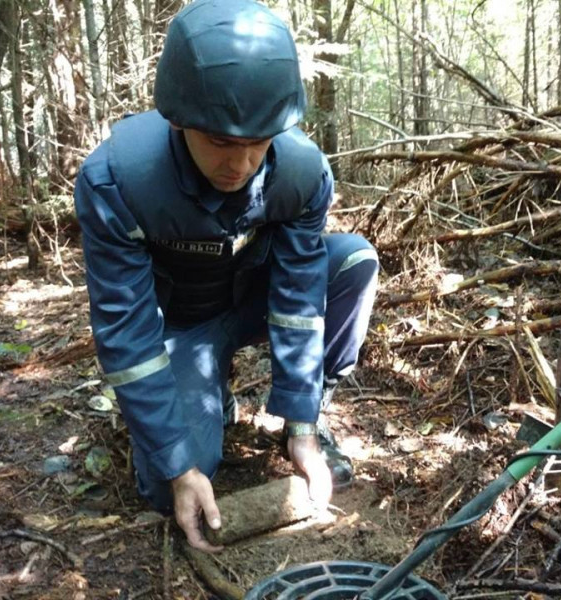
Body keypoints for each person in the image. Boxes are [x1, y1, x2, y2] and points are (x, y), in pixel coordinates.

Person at [74, 0, 378, 553]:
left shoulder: (303, 174)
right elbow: (126, 333)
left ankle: (308, 421)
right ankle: (210, 388)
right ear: (179, 119)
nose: (238, 165)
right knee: (173, 490)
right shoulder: (117, 182)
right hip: (181, 329)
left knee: (354, 260)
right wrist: (176, 462)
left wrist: (302, 423)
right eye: (219, 142)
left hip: (251, 300)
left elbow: (300, 296)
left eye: (257, 143)